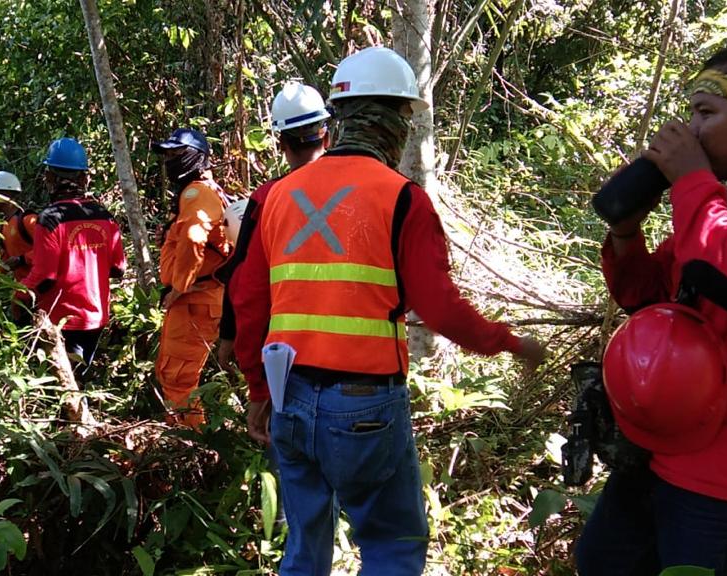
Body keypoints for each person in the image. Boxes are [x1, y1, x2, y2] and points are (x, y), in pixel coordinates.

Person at [232, 46, 547, 575]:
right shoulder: (402, 198)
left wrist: (258, 391)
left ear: (340, 117)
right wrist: (508, 342)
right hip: (363, 407)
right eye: (403, 116)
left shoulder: (277, 196)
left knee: (305, 546)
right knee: (392, 544)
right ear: (393, 121)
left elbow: (248, 303)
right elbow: (441, 309)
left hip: (290, 397)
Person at [577, 41, 727, 576]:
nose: (690, 129)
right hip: (660, 453)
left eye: (706, 112)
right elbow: (646, 295)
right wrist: (626, 231)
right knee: (602, 562)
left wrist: (693, 181)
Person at [216, 81, 332, 371]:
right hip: (355, 355)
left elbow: (242, 278)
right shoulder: (362, 191)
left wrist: (230, 337)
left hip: (287, 352)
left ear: (281, 144)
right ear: (326, 138)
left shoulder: (267, 198)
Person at [20, 137, 127, 375]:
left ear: (49, 178)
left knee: (61, 385)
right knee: (79, 378)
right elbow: (118, 268)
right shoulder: (104, 216)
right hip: (95, 317)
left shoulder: (50, 218)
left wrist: (16, 295)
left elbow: (44, 276)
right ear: (84, 178)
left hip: (62, 319)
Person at [154, 128, 231, 428]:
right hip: (202, 298)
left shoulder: (196, 192)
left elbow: (193, 235)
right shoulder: (204, 192)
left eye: (177, 154)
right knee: (177, 375)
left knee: (178, 377)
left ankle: (190, 442)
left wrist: (178, 288)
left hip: (195, 300)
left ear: (197, 157)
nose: (171, 161)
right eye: (169, 155)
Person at [0, 170, 37, 324]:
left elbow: (50, 250)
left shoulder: (28, 221)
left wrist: (22, 259)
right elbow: (4, 260)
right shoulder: (4, 226)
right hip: (21, 295)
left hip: (38, 293)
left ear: (4, 194)